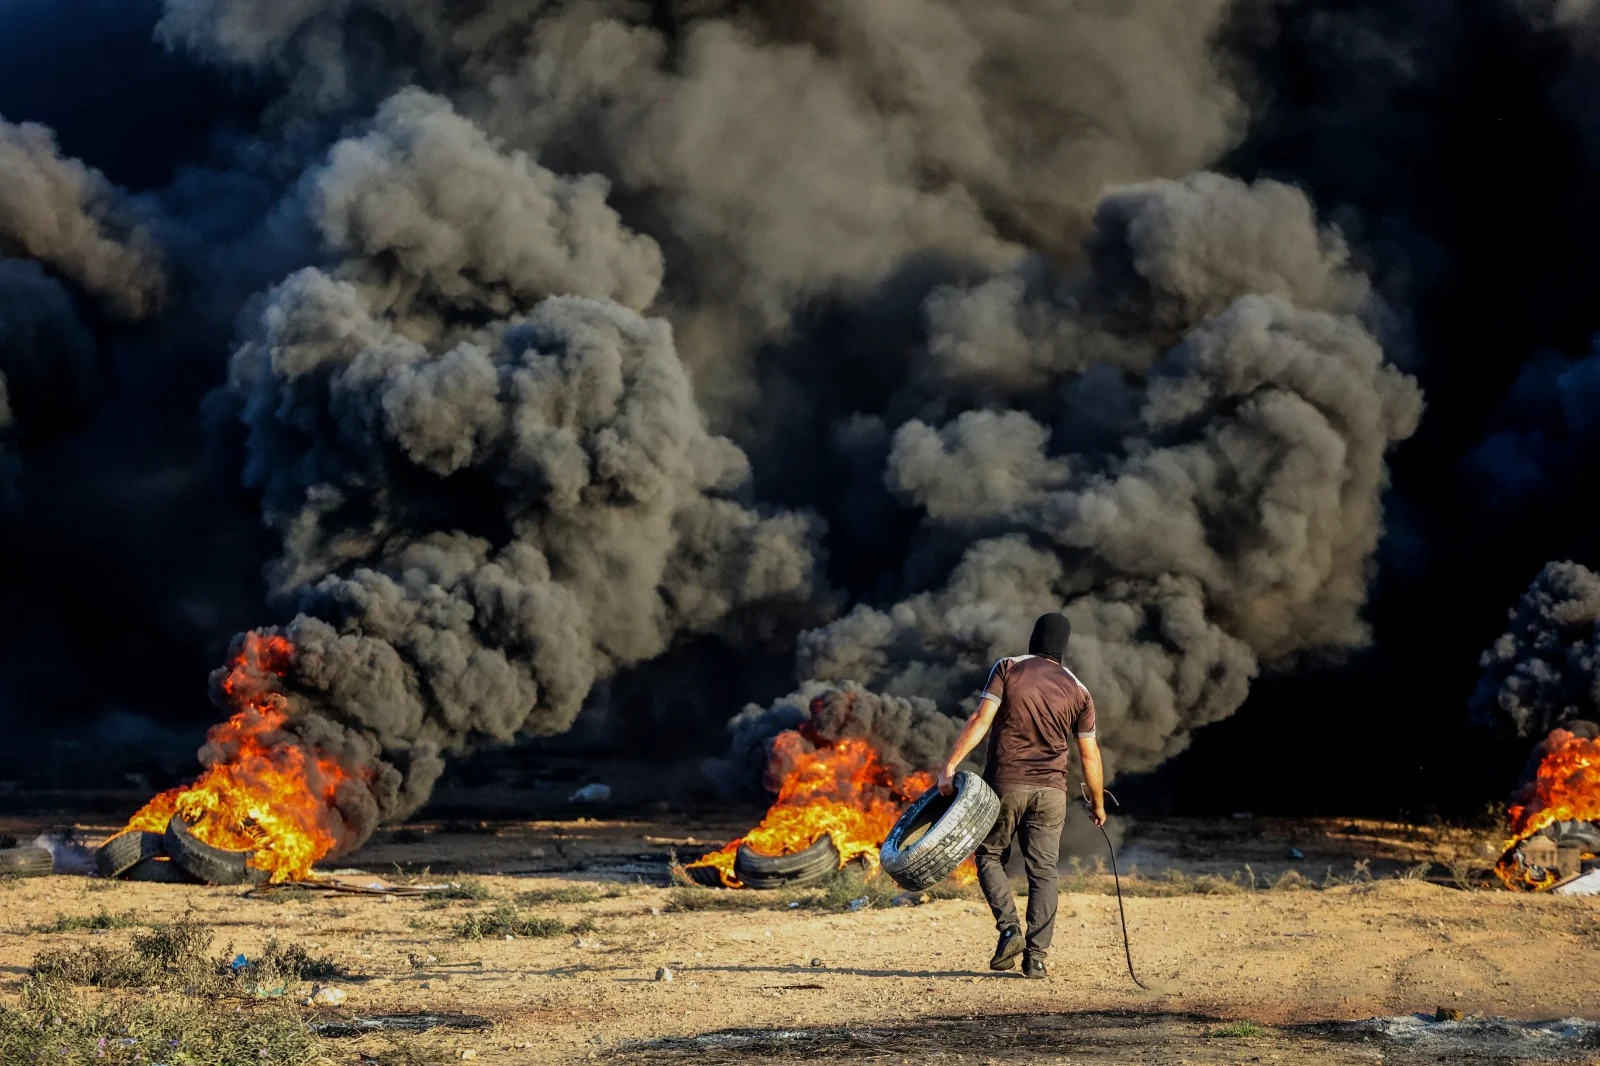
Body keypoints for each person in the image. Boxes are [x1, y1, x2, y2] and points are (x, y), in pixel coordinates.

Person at [936, 612, 1103, 979]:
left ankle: (1009, 930)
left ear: (1034, 638)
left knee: (989, 853)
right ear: (1064, 646)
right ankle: (1037, 958)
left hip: (1006, 784)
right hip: (1052, 792)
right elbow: (1089, 754)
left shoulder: (1009, 667)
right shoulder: (1080, 690)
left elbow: (981, 719)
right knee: (1043, 872)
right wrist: (1097, 801)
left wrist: (950, 765)